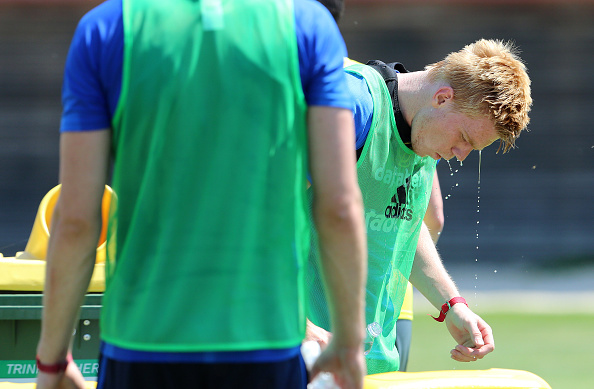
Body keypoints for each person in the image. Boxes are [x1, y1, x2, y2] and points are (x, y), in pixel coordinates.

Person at [35, 1, 369, 389]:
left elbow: (76, 219)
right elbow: (340, 207)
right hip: (266, 345)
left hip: (140, 344)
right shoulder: (309, 26)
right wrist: (348, 341)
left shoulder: (104, 28)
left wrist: (52, 361)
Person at [306, 39, 532, 374]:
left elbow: (404, 228)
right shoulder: (353, 104)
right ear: (443, 98)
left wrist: (452, 305)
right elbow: (260, 213)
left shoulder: (424, 133)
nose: (460, 154)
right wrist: (299, 324)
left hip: (368, 358)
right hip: (305, 350)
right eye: (465, 140)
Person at [316, 0, 447, 373]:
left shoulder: (336, 79)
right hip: (387, 303)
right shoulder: (391, 100)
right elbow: (432, 218)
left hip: (319, 317)